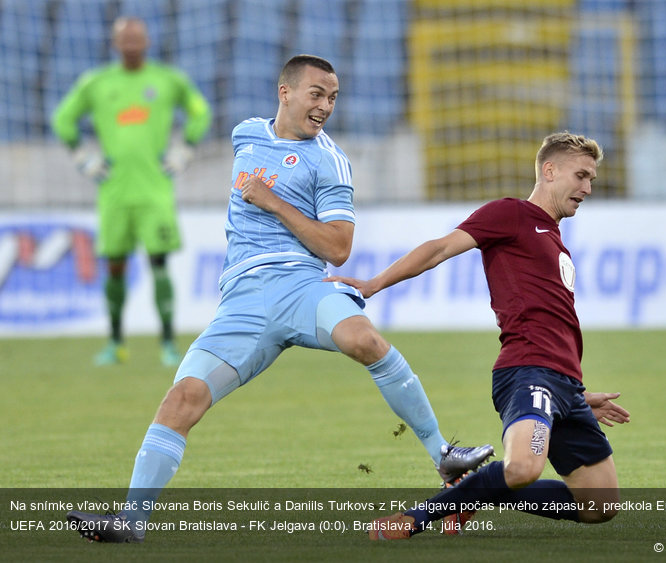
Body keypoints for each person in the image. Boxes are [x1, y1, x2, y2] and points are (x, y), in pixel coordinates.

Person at [66, 54, 493, 543]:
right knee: (181, 399)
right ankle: (131, 523)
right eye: (317, 94)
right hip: (242, 302)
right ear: (284, 92)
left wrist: (273, 201)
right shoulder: (246, 133)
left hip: (301, 287)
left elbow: (337, 247)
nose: (325, 106)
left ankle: (443, 455)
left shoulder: (329, 161)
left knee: (365, 340)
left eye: (332, 97)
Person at [326, 132, 631, 540]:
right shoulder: (511, 214)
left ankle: (473, 492)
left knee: (600, 506)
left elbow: (552, 324)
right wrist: (374, 284)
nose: (587, 188)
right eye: (581, 176)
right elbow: (438, 248)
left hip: (563, 385)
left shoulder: (554, 238)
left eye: (591, 179)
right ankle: (417, 518)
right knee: (522, 469)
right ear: (550, 170)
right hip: (527, 373)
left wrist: (573, 393)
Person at [52, 17, 212, 367]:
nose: (131, 45)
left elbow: (200, 112)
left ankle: (169, 344)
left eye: (136, 39)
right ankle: (115, 343)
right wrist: (83, 158)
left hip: (155, 191)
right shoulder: (96, 83)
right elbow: (63, 119)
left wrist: (185, 148)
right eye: (125, 39)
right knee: (115, 266)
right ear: (114, 43)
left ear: (147, 42)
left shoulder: (168, 81)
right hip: (113, 192)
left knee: (159, 263)